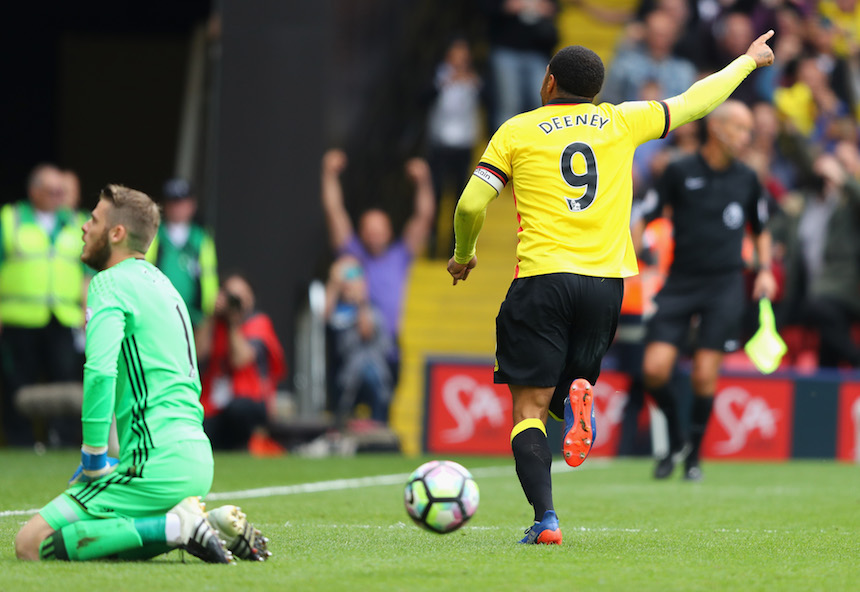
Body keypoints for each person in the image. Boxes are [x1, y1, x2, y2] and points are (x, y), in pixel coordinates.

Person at [446, 33, 776, 544]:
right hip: (605, 286)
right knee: (560, 395)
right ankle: (577, 397)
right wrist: (747, 62)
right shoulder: (621, 120)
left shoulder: (515, 131)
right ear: (596, 91)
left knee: (528, 409)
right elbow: (693, 102)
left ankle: (546, 520)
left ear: (548, 82)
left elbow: (470, 206)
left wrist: (465, 254)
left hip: (543, 279)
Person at [14, 184, 268, 563]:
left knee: (30, 544)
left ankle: (176, 526)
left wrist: (94, 458)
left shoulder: (108, 284)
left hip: (155, 464)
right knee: (105, 532)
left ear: (116, 233)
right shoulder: (164, 285)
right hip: (197, 460)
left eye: (94, 220)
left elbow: (99, 372)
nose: (84, 227)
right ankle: (195, 523)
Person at [638, 100, 779, 482]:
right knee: (654, 370)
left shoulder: (747, 178)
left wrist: (764, 270)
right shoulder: (679, 171)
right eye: (742, 129)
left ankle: (693, 457)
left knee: (704, 375)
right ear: (717, 129)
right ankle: (679, 437)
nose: (749, 138)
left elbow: (761, 229)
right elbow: (646, 216)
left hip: (725, 285)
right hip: (681, 281)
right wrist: (635, 253)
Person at [320, 149, 434, 386]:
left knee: (383, 412)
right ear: (361, 233)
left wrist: (423, 181)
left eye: (379, 231)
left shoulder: (400, 255)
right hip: (352, 345)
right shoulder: (352, 253)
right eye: (369, 231)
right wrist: (328, 175)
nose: (374, 237)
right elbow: (334, 212)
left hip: (388, 348)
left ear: (389, 232)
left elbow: (424, 217)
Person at [0, 164, 88, 446]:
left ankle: (60, 440)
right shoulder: (9, 219)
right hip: (18, 317)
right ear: (33, 191)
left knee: (64, 379)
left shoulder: (77, 222)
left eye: (61, 192)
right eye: (51, 191)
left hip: (63, 317)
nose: (57, 197)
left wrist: (87, 312)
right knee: (17, 383)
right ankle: (20, 442)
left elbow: (88, 272)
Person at [198, 272, 287, 450]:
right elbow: (197, 353)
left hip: (249, 400)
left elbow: (240, 360)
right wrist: (210, 316)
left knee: (239, 409)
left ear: (251, 299)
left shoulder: (259, 322)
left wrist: (233, 322)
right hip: (214, 404)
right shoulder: (214, 324)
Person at [145, 178, 218, 348]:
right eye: (172, 202)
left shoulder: (201, 238)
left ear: (192, 205)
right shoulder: (155, 234)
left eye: (182, 202)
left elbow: (209, 277)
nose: (177, 208)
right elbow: (145, 270)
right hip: (159, 314)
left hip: (193, 317)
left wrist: (207, 315)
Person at [325, 255, 393, 426]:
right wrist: (334, 284)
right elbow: (324, 318)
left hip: (371, 374)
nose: (349, 280)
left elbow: (366, 332)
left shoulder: (371, 308)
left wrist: (360, 301)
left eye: (354, 273)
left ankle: (378, 430)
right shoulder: (335, 308)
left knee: (371, 377)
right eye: (345, 275)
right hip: (340, 374)